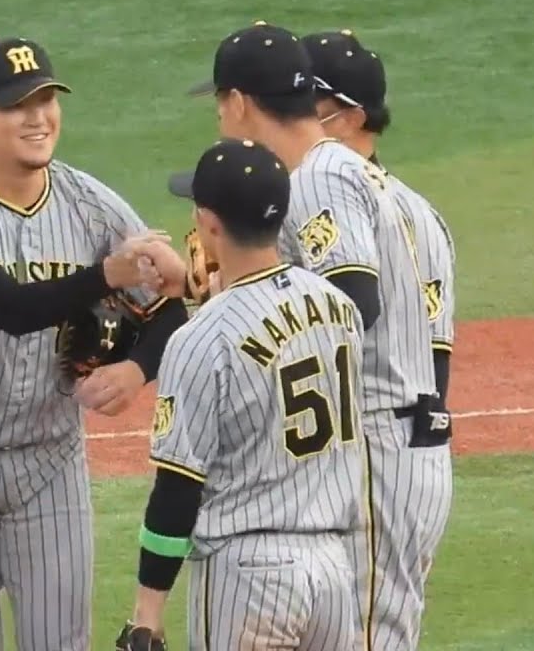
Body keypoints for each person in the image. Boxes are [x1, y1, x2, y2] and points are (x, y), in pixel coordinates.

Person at [0, 34, 188, 651]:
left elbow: (170, 308)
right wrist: (106, 275)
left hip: (51, 464)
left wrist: (136, 369)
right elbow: (8, 307)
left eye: (46, 100)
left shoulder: (91, 204)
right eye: (15, 105)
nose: (37, 118)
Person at [180, 21, 452, 651]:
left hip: (378, 442)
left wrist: (231, 306)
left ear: (239, 103)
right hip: (396, 438)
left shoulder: (319, 174)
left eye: (219, 105)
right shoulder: (357, 177)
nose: (220, 121)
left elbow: (354, 298)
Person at [116, 138, 366, 651]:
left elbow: (177, 488)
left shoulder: (200, 338)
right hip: (335, 572)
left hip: (249, 578)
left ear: (209, 223)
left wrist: (147, 613)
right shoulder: (340, 308)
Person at [301, 29, 457, 408]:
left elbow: (431, 342)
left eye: (307, 98)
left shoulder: (326, 189)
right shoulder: (420, 210)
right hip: (393, 428)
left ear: (352, 118)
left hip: (364, 420)